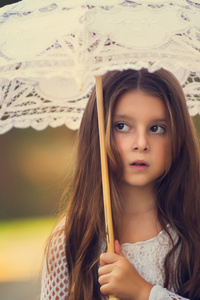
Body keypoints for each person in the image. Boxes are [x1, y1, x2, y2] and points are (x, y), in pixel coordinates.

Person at [40, 69, 200, 300]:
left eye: (157, 128)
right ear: (97, 132)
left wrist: (144, 293)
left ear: (178, 137)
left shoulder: (193, 225)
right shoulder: (72, 237)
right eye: (122, 126)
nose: (142, 143)